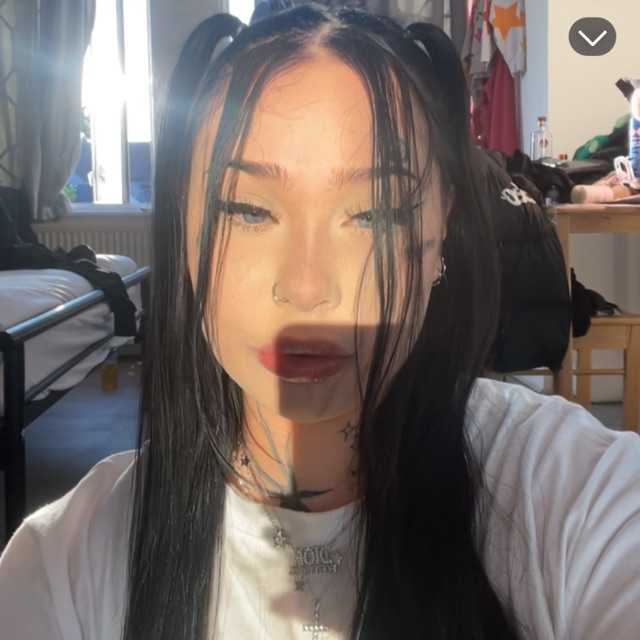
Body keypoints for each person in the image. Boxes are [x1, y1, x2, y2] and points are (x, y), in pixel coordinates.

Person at [1, 4, 639, 639]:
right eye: (248, 209)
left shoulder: (572, 497)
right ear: (184, 223)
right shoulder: (66, 562)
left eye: (375, 213)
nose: (306, 288)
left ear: (442, 226)